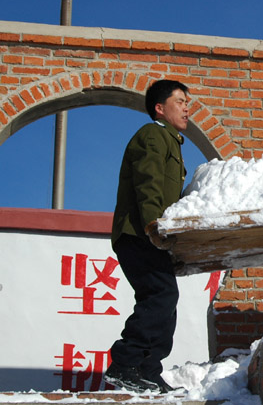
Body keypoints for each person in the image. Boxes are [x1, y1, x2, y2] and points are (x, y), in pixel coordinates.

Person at [103, 79, 189, 393]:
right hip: (139, 234)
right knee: (161, 296)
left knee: (164, 300)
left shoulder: (172, 141)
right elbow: (149, 182)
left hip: (152, 236)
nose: (185, 107)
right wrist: (154, 225)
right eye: (179, 101)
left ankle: (147, 370)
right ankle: (124, 364)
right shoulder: (153, 135)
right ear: (159, 107)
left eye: (186, 101)